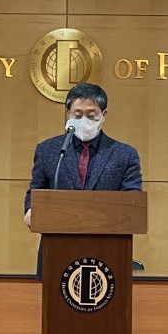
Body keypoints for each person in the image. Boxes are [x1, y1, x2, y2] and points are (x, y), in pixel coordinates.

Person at [24, 82, 142, 228]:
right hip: (59, 236)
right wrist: (31, 209)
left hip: (108, 237)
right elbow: (35, 192)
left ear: (104, 115)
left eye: (91, 116)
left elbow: (133, 201)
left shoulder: (125, 154)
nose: (84, 121)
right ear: (68, 113)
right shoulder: (47, 150)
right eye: (78, 115)